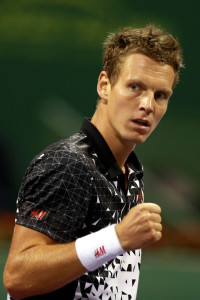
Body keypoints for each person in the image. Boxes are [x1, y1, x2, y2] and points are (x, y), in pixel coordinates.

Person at [3, 25, 183, 300]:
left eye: (161, 95)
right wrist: (117, 238)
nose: (148, 104)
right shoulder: (68, 163)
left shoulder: (131, 172)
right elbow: (18, 277)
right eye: (135, 87)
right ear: (104, 85)